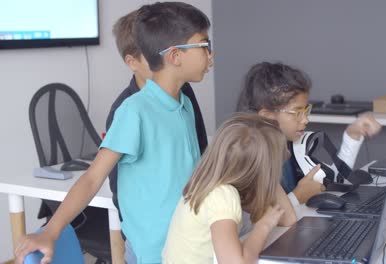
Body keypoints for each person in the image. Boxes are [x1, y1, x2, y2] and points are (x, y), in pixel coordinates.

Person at [15, 2, 214, 263]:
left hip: (190, 243)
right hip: (155, 254)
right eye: (204, 46)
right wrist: (52, 230)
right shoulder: (135, 111)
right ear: (175, 56)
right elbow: (92, 178)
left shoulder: (184, 104)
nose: (211, 55)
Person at [107, 8, 208, 221]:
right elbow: (116, 187)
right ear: (132, 62)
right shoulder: (126, 109)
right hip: (154, 233)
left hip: (189, 220)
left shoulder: (184, 94)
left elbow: (200, 150)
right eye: (151, 55)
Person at [237, 62, 382, 208]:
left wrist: (352, 135)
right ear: (267, 116)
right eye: (297, 112)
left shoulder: (290, 146)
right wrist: (297, 197)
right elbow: (258, 221)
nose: (306, 119)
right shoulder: (250, 161)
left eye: (306, 111)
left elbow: (333, 178)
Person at [162, 113, 297, 264]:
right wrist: (263, 226)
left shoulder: (212, 184)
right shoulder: (222, 195)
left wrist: (268, 173)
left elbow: (288, 219)